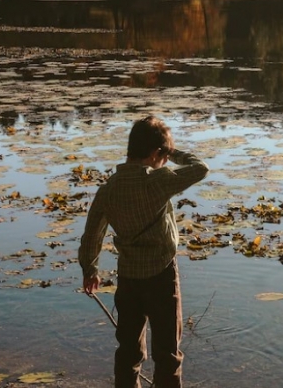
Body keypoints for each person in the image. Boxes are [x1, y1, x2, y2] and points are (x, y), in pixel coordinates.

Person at [79, 115, 209, 388]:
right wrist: (174, 152)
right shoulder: (158, 181)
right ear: (155, 153)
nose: (165, 161)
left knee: (128, 351)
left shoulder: (108, 190)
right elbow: (201, 168)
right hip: (162, 277)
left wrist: (90, 270)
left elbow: (92, 235)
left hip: (128, 279)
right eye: (164, 156)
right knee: (167, 354)